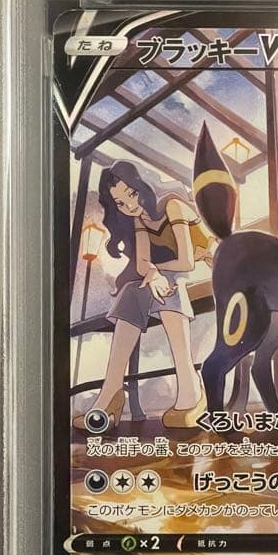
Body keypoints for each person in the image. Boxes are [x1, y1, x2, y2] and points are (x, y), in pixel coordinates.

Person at [73, 160, 212, 432]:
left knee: (168, 282)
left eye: (132, 194)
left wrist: (156, 271)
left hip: (209, 266)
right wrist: (154, 272)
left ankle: (191, 387)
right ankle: (111, 392)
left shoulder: (172, 206)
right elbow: (143, 264)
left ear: (144, 185)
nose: (130, 205)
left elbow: (186, 262)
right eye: (120, 203)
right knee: (132, 291)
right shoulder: (140, 217)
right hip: (173, 274)